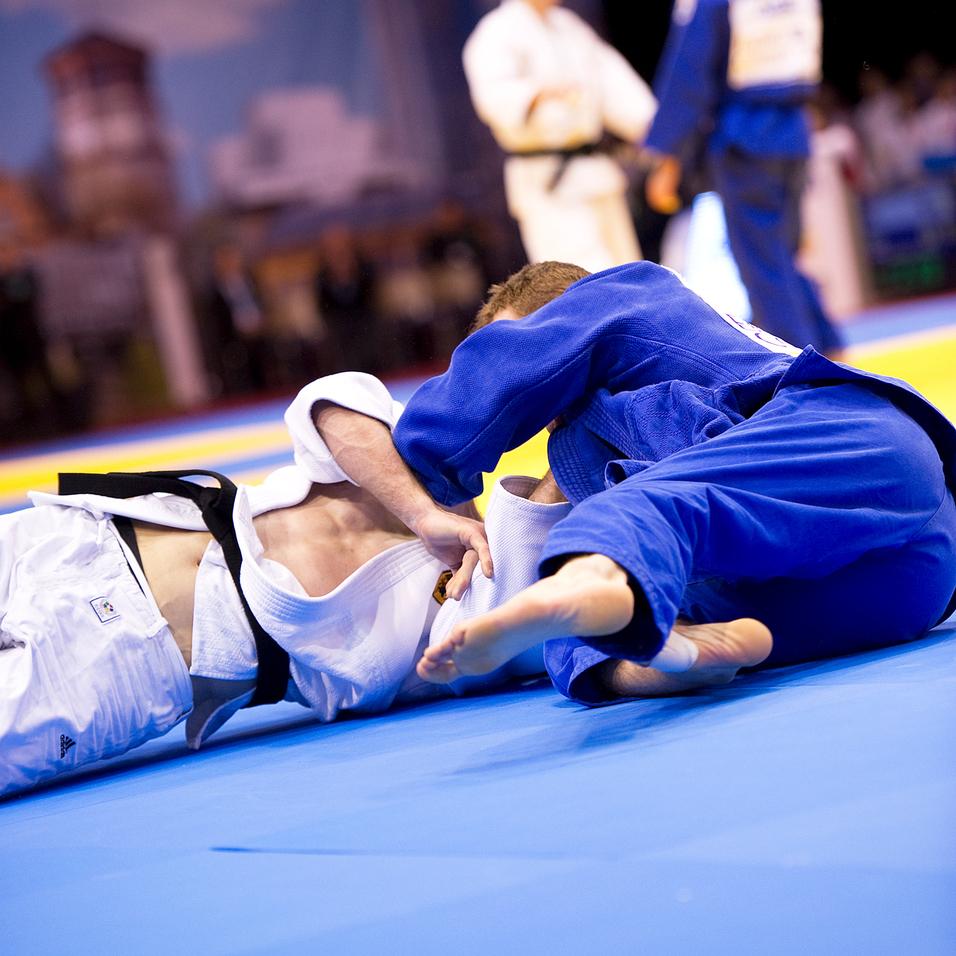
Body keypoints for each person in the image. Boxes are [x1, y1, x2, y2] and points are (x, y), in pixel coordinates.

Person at [389, 260, 956, 704]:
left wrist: (424, 477)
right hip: (909, 584)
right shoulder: (625, 418)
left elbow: (478, 394)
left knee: (624, 524)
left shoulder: (630, 292)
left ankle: (596, 579)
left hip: (859, 446)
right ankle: (669, 655)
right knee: (584, 639)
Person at [0, 371, 582, 798]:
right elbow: (329, 401)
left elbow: (534, 528)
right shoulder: (414, 455)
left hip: (124, 660)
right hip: (70, 535)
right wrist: (420, 512)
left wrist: (594, 425)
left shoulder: (478, 597)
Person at [640, 0, 843, 356]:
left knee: (763, 264)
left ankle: (800, 363)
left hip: (747, 136)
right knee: (782, 255)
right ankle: (828, 345)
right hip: (794, 129)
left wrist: (668, 157)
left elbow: (691, 71)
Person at [462, 0, 656, 272]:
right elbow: (495, 100)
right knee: (578, 277)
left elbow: (619, 89)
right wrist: (538, 96)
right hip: (547, 181)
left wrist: (657, 134)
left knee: (627, 269)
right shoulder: (496, 32)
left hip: (596, 170)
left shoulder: (570, 27)